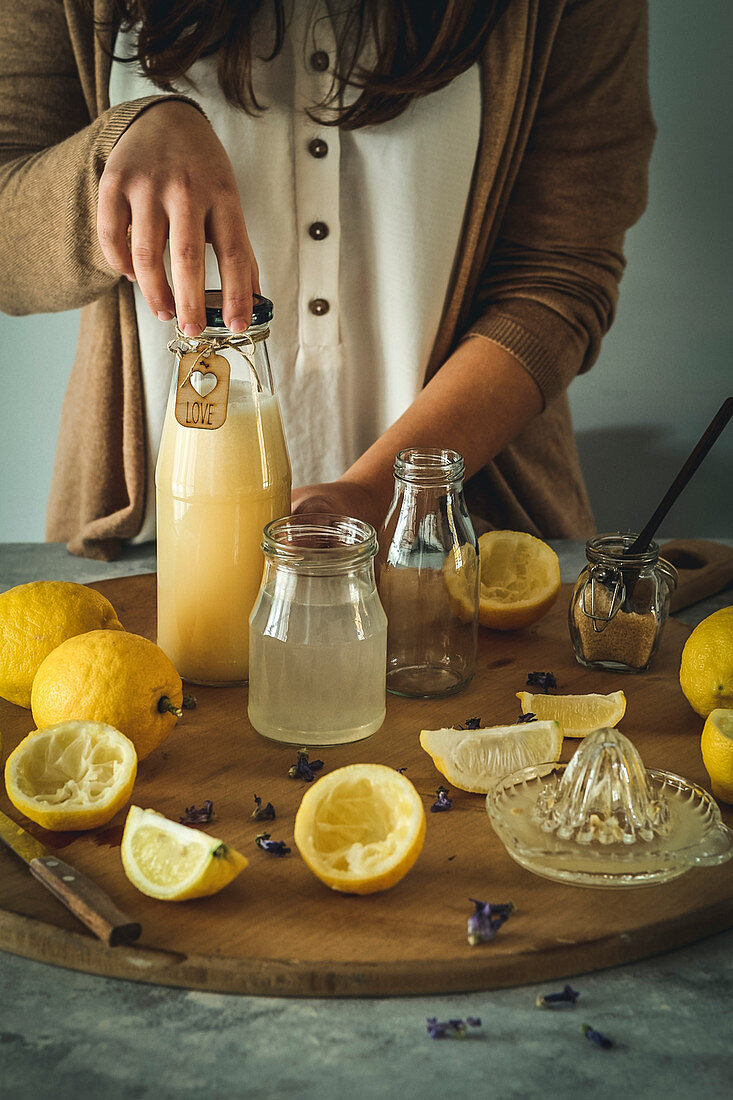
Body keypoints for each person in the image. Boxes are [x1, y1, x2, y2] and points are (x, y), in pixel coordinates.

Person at [0, 0, 655, 561]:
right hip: (145, 550)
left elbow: (559, 273)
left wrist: (379, 494)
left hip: (457, 545)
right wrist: (112, 155)